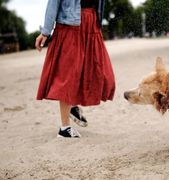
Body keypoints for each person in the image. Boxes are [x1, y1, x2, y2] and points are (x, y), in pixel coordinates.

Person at [35, 0, 115, 138]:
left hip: (92, 24)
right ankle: (65, 129)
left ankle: (71, 106)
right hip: (70, 26)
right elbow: (53, 3)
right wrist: (46, 31)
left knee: (99, 73)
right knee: (68, 75)